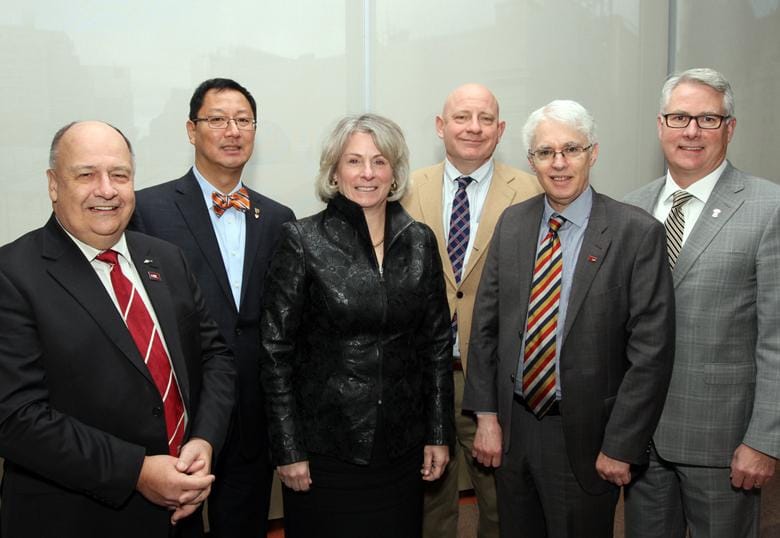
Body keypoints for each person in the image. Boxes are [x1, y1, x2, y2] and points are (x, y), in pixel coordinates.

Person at [0, 121, 235, 538]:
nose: (106, 189)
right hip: (78, 519)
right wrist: (136, 471)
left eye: (120, 175)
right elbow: (17, 418)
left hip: (182, 513)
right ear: (54, 184)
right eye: (86, 174)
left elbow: (215, 356)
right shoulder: (13, 275)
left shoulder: (167, 259)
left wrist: (204, 439)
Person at [463, 100, 676, 537]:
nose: (558, 164)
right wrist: (486, 417)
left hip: (586, 437)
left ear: (592, 153)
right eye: (545, 153)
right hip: (514, 427)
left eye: (571, 149)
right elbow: (485, 330)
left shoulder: (636, 233)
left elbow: (651, 354)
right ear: (531, 162)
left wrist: (621, 446)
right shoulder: (513, 224)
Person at [259, 113, 454, 538]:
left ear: (395, 172)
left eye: (380, 161)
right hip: (327, 450)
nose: (368, 173)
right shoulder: (302, 240)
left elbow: (436, 345)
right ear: (334, 171)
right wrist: (288, 448)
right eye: (354, 161)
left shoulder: (419, 240)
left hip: (402, 449)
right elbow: (275, 354)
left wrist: (439, 433)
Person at [131, 78, 294, 538]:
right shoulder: (147, 209)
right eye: (217, 119)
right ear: (191, 129)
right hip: (176, 406)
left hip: (250, 412)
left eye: (243, 121)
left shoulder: (279, 217)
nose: (232, 130)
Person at [623, 67, 780, 538]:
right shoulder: (632, 207)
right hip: (640, 439)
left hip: (724, 444)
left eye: (708, 120)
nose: (691, 131)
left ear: (729, 129)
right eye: (679, 118)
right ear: (660, 126)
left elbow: (777, 339)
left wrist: (764, 440)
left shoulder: (768, 207)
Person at [402, 82, 541, 538]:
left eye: (485, 119)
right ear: (441, 127)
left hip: (495, 376)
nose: (474, 128)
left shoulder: (533, 193)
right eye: (462, 117)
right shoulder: (402, 189)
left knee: (501, 501)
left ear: (501, 130)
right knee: (427, 502)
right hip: (420, 374)